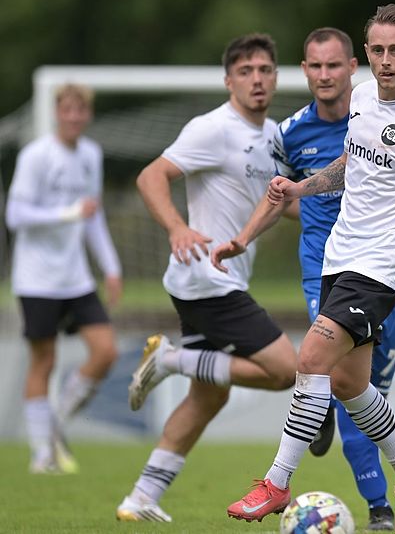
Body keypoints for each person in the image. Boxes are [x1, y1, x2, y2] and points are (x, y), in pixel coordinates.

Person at [225, 5, 395, 533]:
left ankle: (276, 482)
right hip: (340, 255)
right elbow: (349, 166)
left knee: (311, 357)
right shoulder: (361, 97)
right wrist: (300, 187)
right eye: (377, 50)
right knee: (349, 384)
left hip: (382, 267)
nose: (385, 61)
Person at [114, 33, 298, 522]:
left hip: (210, 281)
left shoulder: (273, 135)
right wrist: (177, 227)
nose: (256, 79)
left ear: (276, 77)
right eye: (245, 71)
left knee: (209, 395)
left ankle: (141, 497)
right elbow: (151, 176)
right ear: (228, 81)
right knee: (285, 370)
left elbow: (280, 204)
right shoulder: (212, 128)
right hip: (208, 278)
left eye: (264, 70)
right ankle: (171, 359)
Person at [5, 83, 123, 475]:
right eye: (67, 110)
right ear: (57, 113)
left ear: (88, 114)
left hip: (77, 278)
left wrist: (111, 266)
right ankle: (42, 454)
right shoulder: (36, 156)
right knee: (45, 359)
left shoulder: (91, 154)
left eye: (80, 110)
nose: (74, 117)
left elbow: (93, 216)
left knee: (105, 351)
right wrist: (67, 213)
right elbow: (15, 216)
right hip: (36, 278)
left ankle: (54, 425)